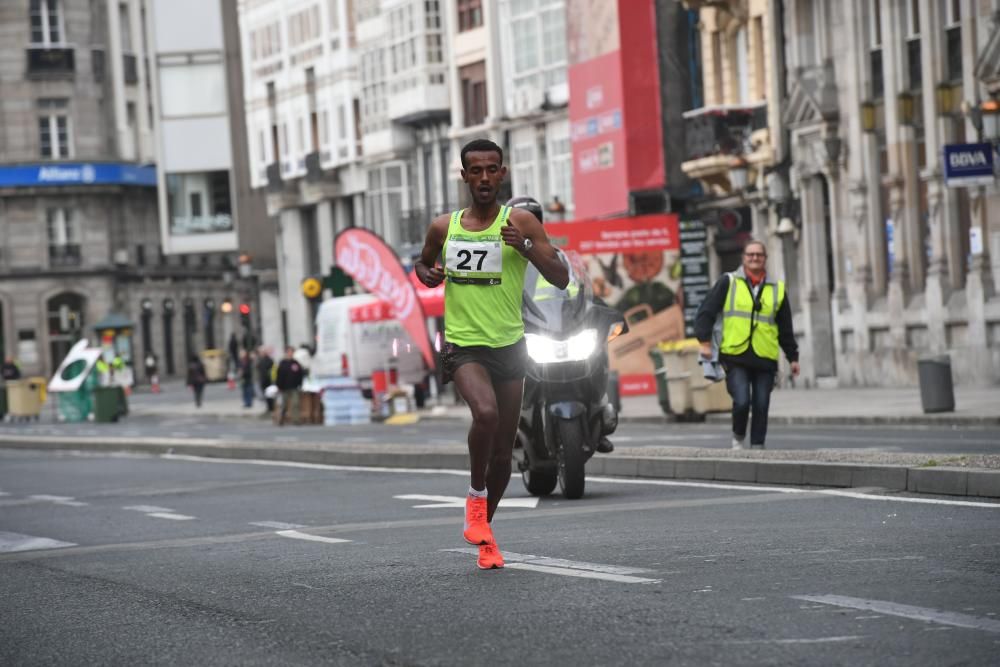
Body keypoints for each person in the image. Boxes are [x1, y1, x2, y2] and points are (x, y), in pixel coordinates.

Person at [415, 138, 568, 570]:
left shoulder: (519, 222)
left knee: (504, 450)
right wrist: (429, 275)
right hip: (465, 345)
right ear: (464, 176)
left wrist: (524, 246)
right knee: (485, 415)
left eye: (491, 169)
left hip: (510, 345)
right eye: (475, 171)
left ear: (503, 173)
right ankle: (475, 499)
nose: (483, 178)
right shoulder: (445, 227)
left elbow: (559, 276)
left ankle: (486, 535)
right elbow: (423, 264)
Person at [507, 195, 613, 454]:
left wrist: (598, 309)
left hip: (559, 327)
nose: (525, 226)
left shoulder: (559, 256)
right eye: (519, 221)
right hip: (522, 329)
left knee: (596, 350)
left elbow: (578, 287)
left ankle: (599, 412)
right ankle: (510, 426)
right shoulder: (505, 262)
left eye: (531, 220)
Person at [694, 239, 800, 450]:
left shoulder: (777, 289)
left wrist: (793, 357)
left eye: (759, 255)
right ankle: (738, 438)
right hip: (735, 355)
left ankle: (758, 446)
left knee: (761, 404)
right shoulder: (729, 282)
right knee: (742, 400)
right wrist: (704, 342)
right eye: (750, 254)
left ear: (765, 260)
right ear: (743, 258)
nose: (754, 258)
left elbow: (785, 327)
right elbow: (706, 312)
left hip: (765, 356)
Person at [275, 345, 304, 426]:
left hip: (294, 387)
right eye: (289, 352)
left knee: (295, 404)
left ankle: (296, 420)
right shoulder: (282, 363)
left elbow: (300, 374)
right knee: (283, 405)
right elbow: (279, 375)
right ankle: (281, 420)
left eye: (292, 352)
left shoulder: (295, 363)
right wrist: (278, 386)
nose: (290, 353)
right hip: (284, 387)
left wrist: (300, 384)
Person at [256, 347, 276, 415]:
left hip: (268, 381)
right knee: (266, 396)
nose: (260, 354)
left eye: (261, 352)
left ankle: (271, 408)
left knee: (270, 396)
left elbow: (269, 371)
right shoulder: (261, 360)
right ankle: (269, 408)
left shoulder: (268, 360)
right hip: (264, 380)